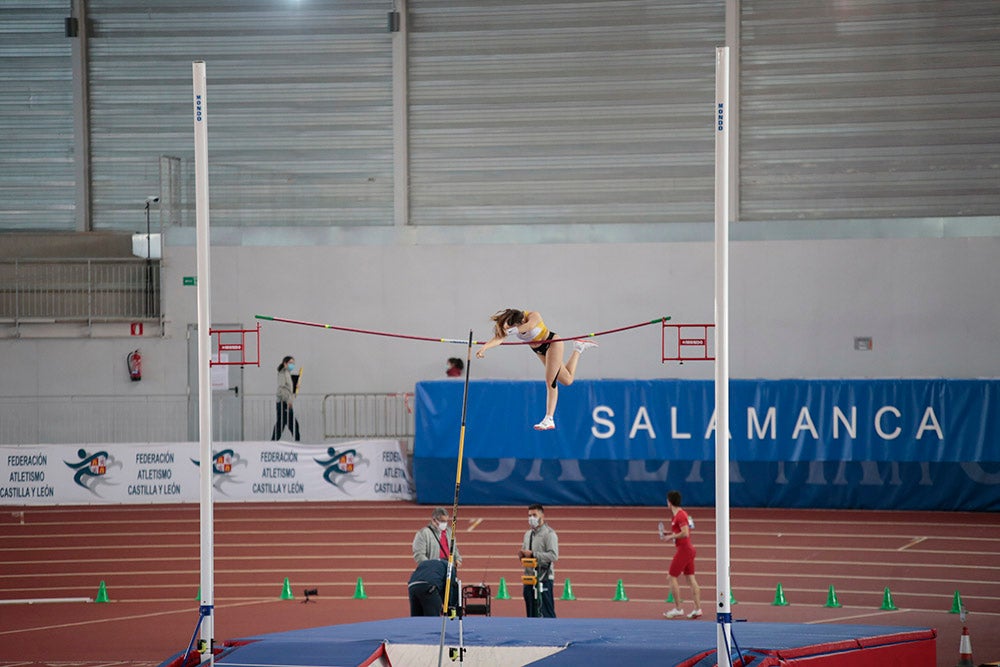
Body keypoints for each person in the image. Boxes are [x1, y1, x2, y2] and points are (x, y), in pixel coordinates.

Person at [476, 308, 597, 431]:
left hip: (552, 343)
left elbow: (529, 326)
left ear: (522, 320)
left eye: (515, 327)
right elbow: (499, 338)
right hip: (538, 350)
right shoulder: (511, 323)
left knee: (550, 381)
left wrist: (512, 331)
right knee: (567, 380)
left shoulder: (533, 316)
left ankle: (549, 418)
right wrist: (485, 347)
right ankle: (578, 347)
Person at [663, 490, 702, 619]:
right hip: (687, 549)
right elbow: (679, 531)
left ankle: (678, 608)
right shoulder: (676, 516)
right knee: (690, 578)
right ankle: (697, 609)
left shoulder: (680, 515)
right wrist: (669, 534)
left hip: (685, 550)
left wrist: (671, 537)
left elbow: (685, 533)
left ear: (670, 501)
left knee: (671, 576)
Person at [518, 503, 558, 618]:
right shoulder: (528, 534)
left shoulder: (549, 534)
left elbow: (553, 556)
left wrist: (534, 554)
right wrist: (521, 555)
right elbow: (526, 553)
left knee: (546, 612)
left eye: (534, 515)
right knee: (531, 614)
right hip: (529, 579)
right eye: (529, 515)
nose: (531, 518)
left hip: (543, 578)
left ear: (542, 516)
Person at [270, 355, 300, 441]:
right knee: (286, 425)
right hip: (284, 403)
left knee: (285, 425)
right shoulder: (283, 373)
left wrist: (295, 388)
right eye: (290, 363)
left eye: (293, 363)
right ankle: (273, 443)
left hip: (287, 403)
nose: (292, 365)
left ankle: (273, 443)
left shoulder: (288, 374)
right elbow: (281, 389)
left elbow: (289, 390)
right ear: (285, 363)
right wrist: (287, 401)